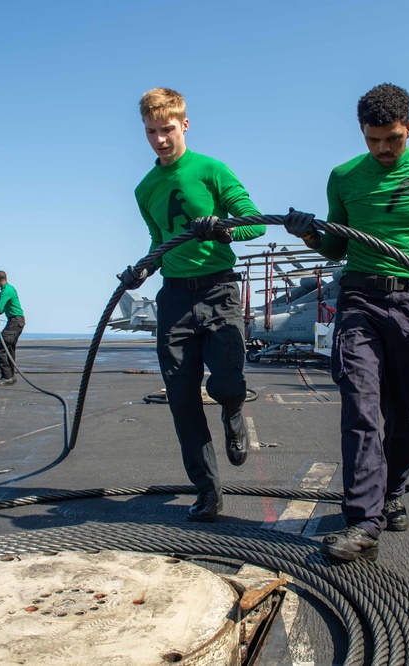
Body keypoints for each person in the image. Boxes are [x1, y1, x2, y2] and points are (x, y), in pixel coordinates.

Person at [285, 83, 409, 562]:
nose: (382, 150)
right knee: (360, 408)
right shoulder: (344, 176)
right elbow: (336, 246)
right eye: (372, 140)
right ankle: (364, 522)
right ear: (362, 133)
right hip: (359, 300)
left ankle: (393, 489)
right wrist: (312, 233)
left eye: (392, 139)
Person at [120, 87, 266, 522]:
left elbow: (252, 222)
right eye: (151, 132)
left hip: (219, 291)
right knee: (182, 400)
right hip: (175, 298)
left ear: (184, 124)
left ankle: (233, 409)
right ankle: (207, 491)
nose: (160, 140)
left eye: (167, 130)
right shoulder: (144, 188)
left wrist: (222, 230)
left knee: (224, 382)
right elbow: (159, 240)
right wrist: (143, 268)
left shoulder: (211, 170)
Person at [0, 270, 25, 387]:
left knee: (0, 349)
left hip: (14, 322)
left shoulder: (5, 290)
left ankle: (7, 377)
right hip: (17, 321)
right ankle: (11, 376)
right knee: (9, 349)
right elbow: (4, 307)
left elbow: (0, 307)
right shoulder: (10, 288)